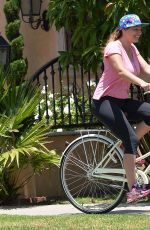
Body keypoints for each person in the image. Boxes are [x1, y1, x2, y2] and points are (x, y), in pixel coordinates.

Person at [92, 14, 150, 203]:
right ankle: (133, 189)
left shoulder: (132, 48)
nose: (139, 32)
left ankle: (128, 145)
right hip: (104, 101)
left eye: (140, 29)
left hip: (121, 100)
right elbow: (120, 71)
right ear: (123, 30)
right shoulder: (113, 47)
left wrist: (146, 78)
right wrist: (141, 83)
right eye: (135, 29)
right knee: (131, 137)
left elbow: (147, 70)